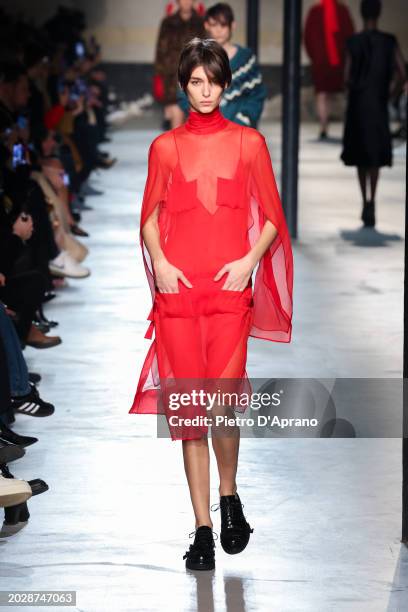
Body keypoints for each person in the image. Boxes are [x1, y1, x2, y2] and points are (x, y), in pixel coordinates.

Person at [129, 38, 294, 571]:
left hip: (228, 294)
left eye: (212, 81)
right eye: (195, 82)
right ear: (184, 84)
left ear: (225, 84)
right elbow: (149, 215)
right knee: (189, 415)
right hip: (180, 295)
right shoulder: (165, 148)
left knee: (222, 404)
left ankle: (229, 496)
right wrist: (163, 266)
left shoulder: (249, 144)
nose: (204, 91)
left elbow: (273, 216)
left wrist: (248, 263)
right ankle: (202, 527)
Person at [340, 0, 407, 227]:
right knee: (375, 155)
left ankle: (364, 200)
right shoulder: (389, 42)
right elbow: (402, 72)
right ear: (378, 13)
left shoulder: (353, 42)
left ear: (361, 13)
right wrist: (390, 95)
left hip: (359, 104)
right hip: (378, 103)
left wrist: (353, 91)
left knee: (360, 155)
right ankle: (372, 199)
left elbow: (347, 76)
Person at [177, 2, 267, 128]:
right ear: (206, 25)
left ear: (233, 25)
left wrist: (242, 121)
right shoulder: (197, 57)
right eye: (214, 24)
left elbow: (257, 96)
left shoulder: (246, 59)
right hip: (205, 130)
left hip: (241, 131)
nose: (218, 30)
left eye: (223, 25)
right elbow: (182, 92)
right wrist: (201, 117)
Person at [304, 0, 354, 139]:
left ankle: (323, 127)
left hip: (321, 60)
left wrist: (314, 56)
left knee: (322, 94)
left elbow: (307, 37)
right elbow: (350, 35)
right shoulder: (342, 11)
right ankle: (348, 126)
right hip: (339, 60)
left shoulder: (315, 12)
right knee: (343, 93)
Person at [153, 0, 206, 130]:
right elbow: (160, 51)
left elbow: (205, 48)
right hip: (172, 78)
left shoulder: (200, 22)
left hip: (194, 75)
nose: (186, 2)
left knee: (192, 121)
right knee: (176, 124)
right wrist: (161, 74)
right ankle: (177, 150)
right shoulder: (168, 22)